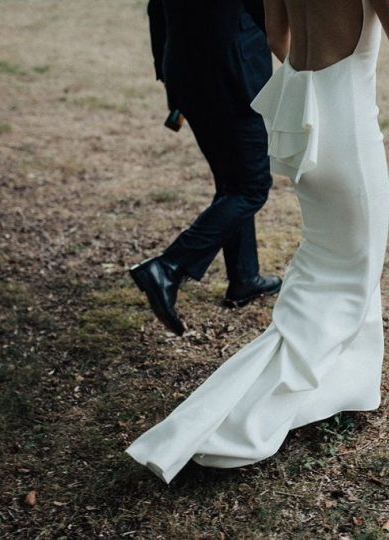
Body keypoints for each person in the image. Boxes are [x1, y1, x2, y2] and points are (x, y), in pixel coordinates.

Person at [125, 0, 389, 483]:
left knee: (338, 268)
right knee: (348, 272)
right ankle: (228, 427)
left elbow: (277, 39)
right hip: (347, 131)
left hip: (306, 121)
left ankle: (352, 386)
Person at [129, 0, 283, 337]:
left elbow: (157, 8)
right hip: (234, 75)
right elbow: (271, 15)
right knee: (251, 187)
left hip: (184, 72)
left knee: (232, 181)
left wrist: (167, 69)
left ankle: (244, 278)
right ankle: (169, 267)